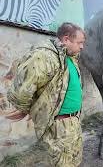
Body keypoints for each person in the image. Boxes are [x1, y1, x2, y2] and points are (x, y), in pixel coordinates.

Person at [5, 22, 86, 167]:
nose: (82, 47)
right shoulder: (44, 56)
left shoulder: (70, 57)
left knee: (74, 160)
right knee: (61, 163)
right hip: (59, 126)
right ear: (66, 39)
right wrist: (25, 108)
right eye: (79, 42)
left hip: (73, 121)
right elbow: (23, 87)